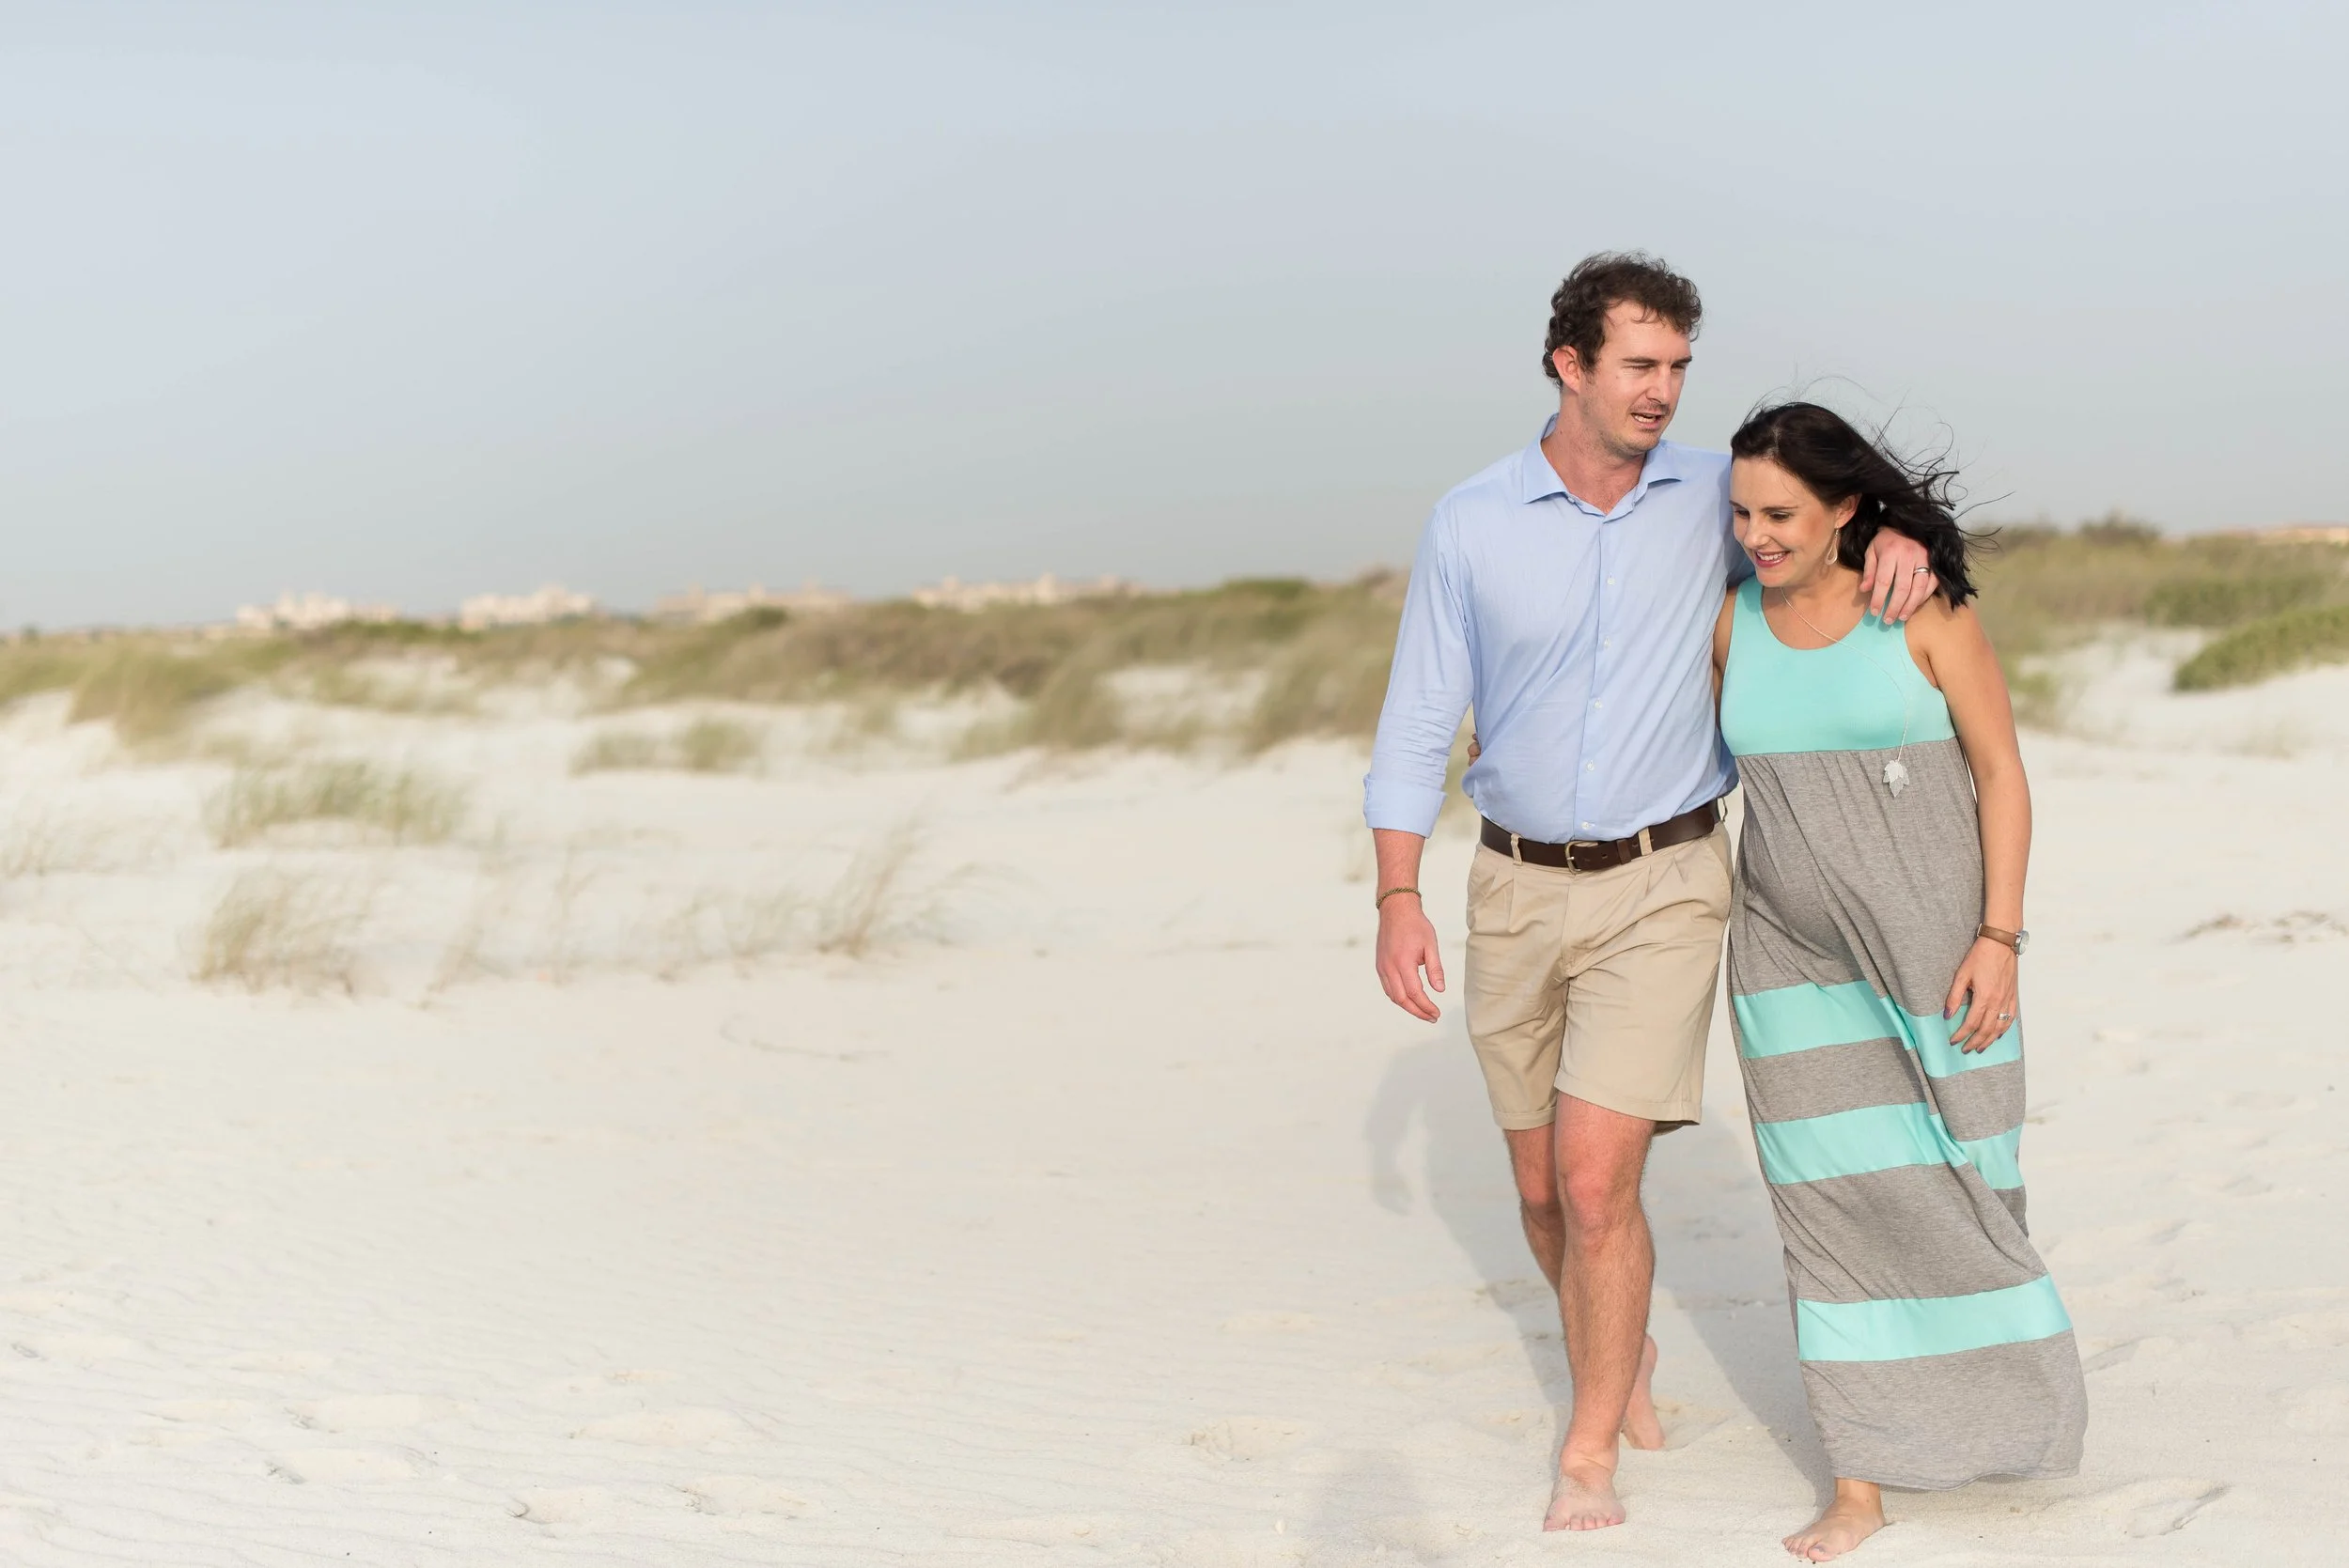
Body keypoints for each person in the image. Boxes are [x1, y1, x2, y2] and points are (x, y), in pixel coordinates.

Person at [1363, 253, 1940, 1532]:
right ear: (1567, 364)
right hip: (1512, 884)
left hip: (1668, 879)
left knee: (1591, 1179)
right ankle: (1621, 1352)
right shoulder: (1471, 521)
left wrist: (1892, 531)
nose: (1664, 391)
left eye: (1679, 366)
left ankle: (1588, 1448)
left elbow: (1822, 513)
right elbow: (1417, 721)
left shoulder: (1712, 497)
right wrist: (1399, 892)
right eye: (1640, 365)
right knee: (1534, 1193)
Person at [1710, 402, 2086, 1560]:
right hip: (1786, 964)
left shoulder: (1923, 611)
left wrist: (1999, 937)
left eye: (1779, 514)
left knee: (1972, 1180)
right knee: (1828, 1207)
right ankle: (1861, 1477)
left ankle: (2007, 1410)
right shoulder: (1730, 622)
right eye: (1740, 514)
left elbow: (2002, 774)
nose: (1756, 534)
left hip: (1939, 950)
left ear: (1846, 510)